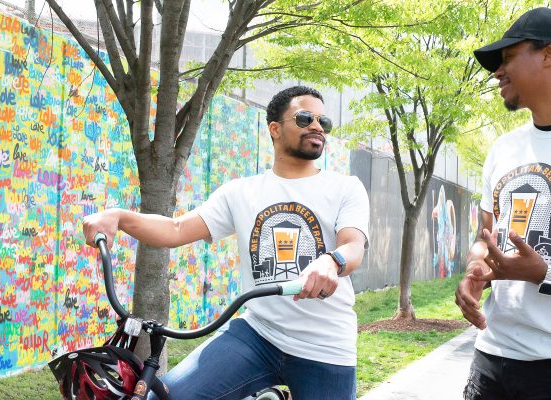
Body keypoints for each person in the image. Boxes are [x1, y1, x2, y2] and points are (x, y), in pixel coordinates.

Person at [83, 86, 370, 400]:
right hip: (259, 334)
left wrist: (332, 261)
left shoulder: (345, 187)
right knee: (164, 397)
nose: (317, 126)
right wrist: (119, 217)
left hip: (325, 345)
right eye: (305, 118)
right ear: (275, 129)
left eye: (323, 121)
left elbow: (353, 245)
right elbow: (176, 229)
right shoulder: (241, 192)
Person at [455, 7, 551, 399]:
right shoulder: (503, 149)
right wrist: (474, 268)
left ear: (548, 55)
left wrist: (541, 273)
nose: (496, 71)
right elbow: (486, 234)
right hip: (491, 355)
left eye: (508, 56)